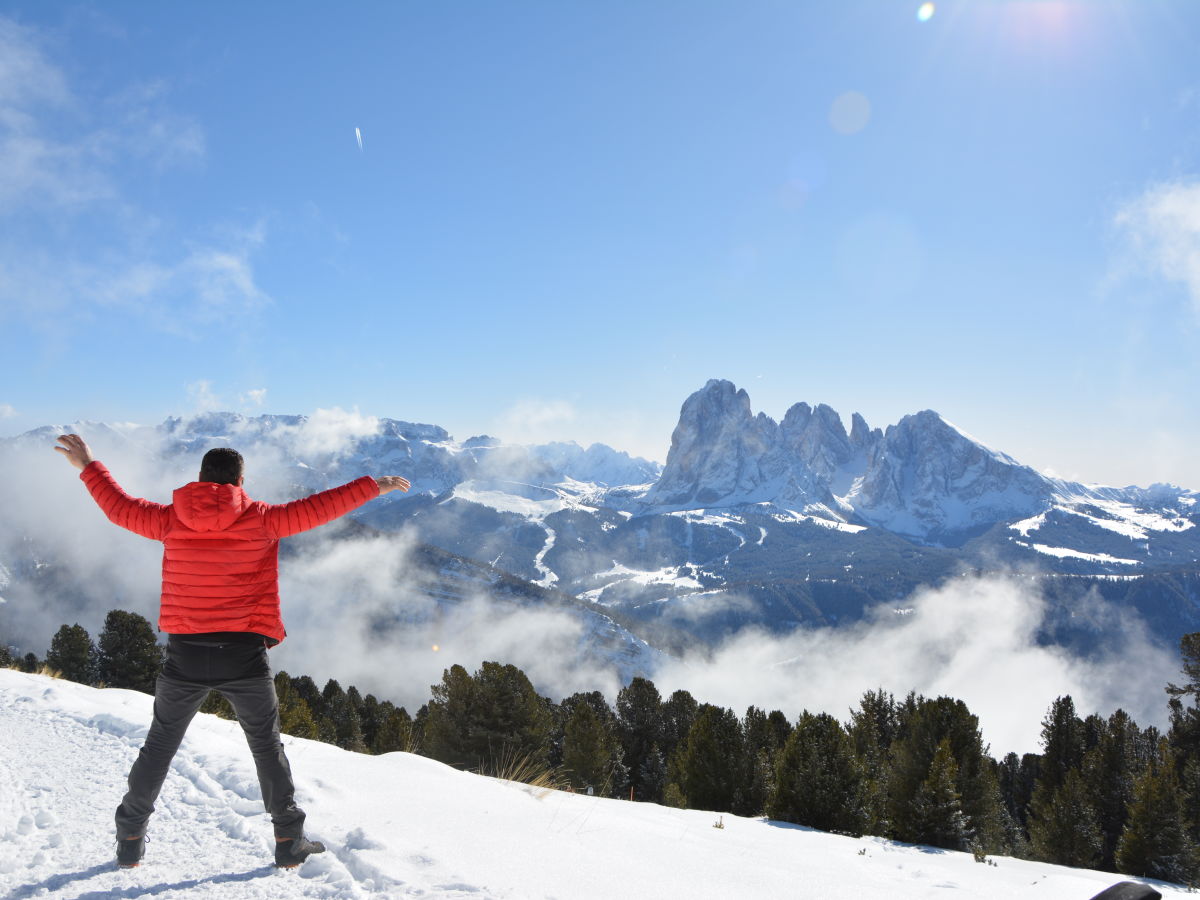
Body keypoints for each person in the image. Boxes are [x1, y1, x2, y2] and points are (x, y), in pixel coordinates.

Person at [54, 433, 411, 870]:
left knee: (160, 746)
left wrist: (89, 465)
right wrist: (374, 486)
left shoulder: (169, 520)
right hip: (244, 654)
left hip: (184, 654)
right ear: (241, 480)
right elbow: (320, 507)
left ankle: (130, 835)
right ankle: (288, 839)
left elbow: (118, 507)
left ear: (200, 480)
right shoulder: (263, 519)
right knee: (266, 748)